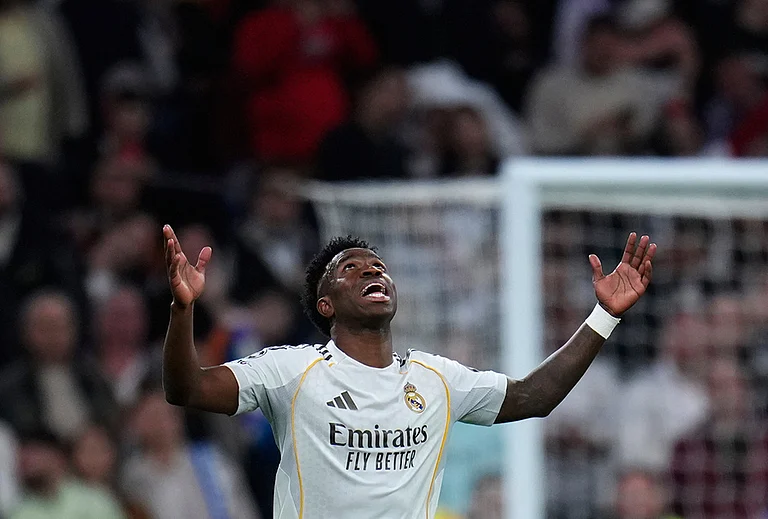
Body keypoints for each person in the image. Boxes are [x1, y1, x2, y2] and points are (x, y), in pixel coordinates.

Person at [160, 225, 656, 518]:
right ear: (325, 303)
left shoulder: (435, 378)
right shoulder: (292, 369)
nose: (372, 271)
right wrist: (183, 309)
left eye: (377, 265)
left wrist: (605, 315)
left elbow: (533, 397)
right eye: (351, 268)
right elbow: (187, 388)